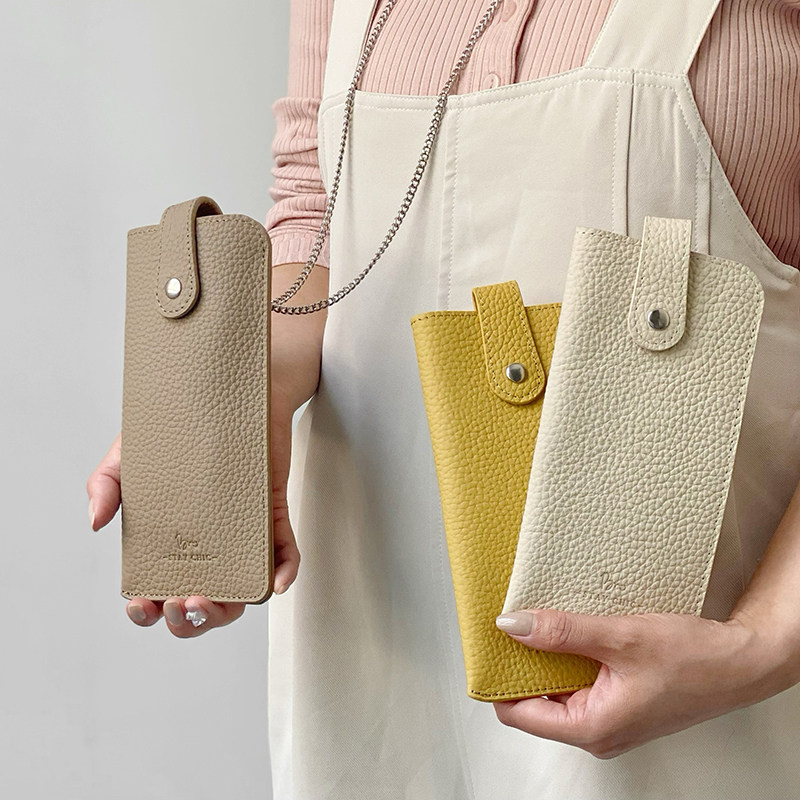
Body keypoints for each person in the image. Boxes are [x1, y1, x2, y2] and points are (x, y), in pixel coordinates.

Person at [87, 1, 800, 797]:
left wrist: (764, 644)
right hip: (372, 662)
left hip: (700, 687)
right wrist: (240, 397)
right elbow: (315, 207)